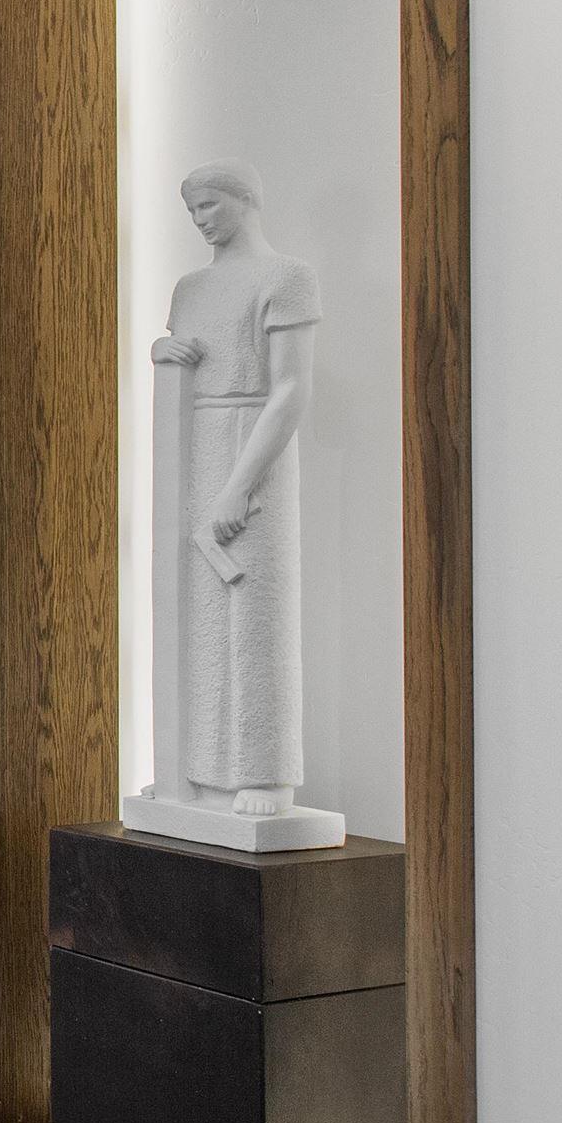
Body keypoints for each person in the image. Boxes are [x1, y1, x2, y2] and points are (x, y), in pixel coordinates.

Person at [148, 160, 320, 819]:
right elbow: (184, 357)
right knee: (201, 614)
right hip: (196, 447)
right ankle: (198, 767)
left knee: (255, 609)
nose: (200, 220)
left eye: (210, 205)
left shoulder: (287, 277)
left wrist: (238, 487)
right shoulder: (191, 288)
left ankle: (265, 771)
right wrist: (163, 353)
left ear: (247, 199)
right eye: (192, 210)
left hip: (254, 447)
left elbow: (291, 388)